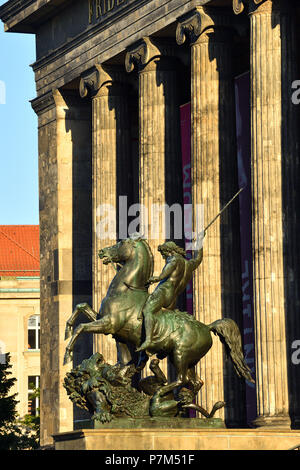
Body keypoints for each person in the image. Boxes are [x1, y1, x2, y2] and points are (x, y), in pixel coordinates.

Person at [136, 231, 205, 353]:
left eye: (164, 254)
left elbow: (163, 275)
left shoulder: (173, 260)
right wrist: (199, 241)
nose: (164, 257)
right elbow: (198, 258)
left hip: (164, 291)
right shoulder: (189, 264)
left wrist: (153, 279)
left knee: (147, 310)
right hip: (173, 298)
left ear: (170, 251)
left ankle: (148, 339)